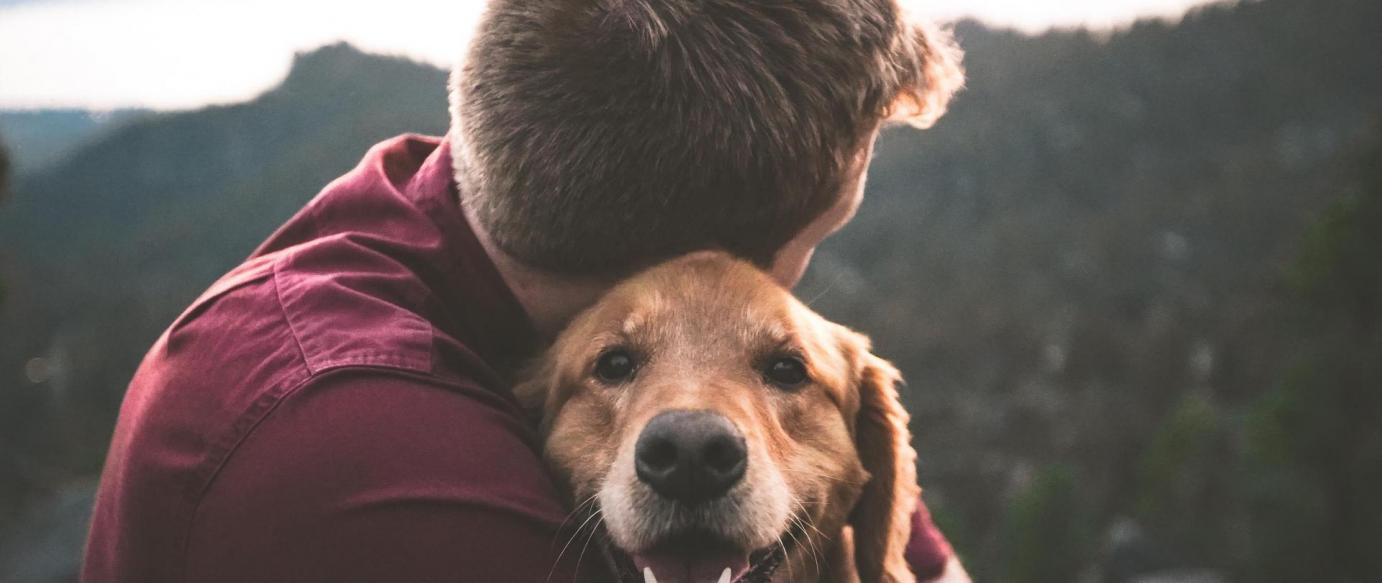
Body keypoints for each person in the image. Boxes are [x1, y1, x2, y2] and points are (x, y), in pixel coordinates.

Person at [82, 0, 969, 581]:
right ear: (695, 256)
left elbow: (904, 553)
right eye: (815, 239)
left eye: (772, 355)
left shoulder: (467, 207)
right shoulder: (370, 453)